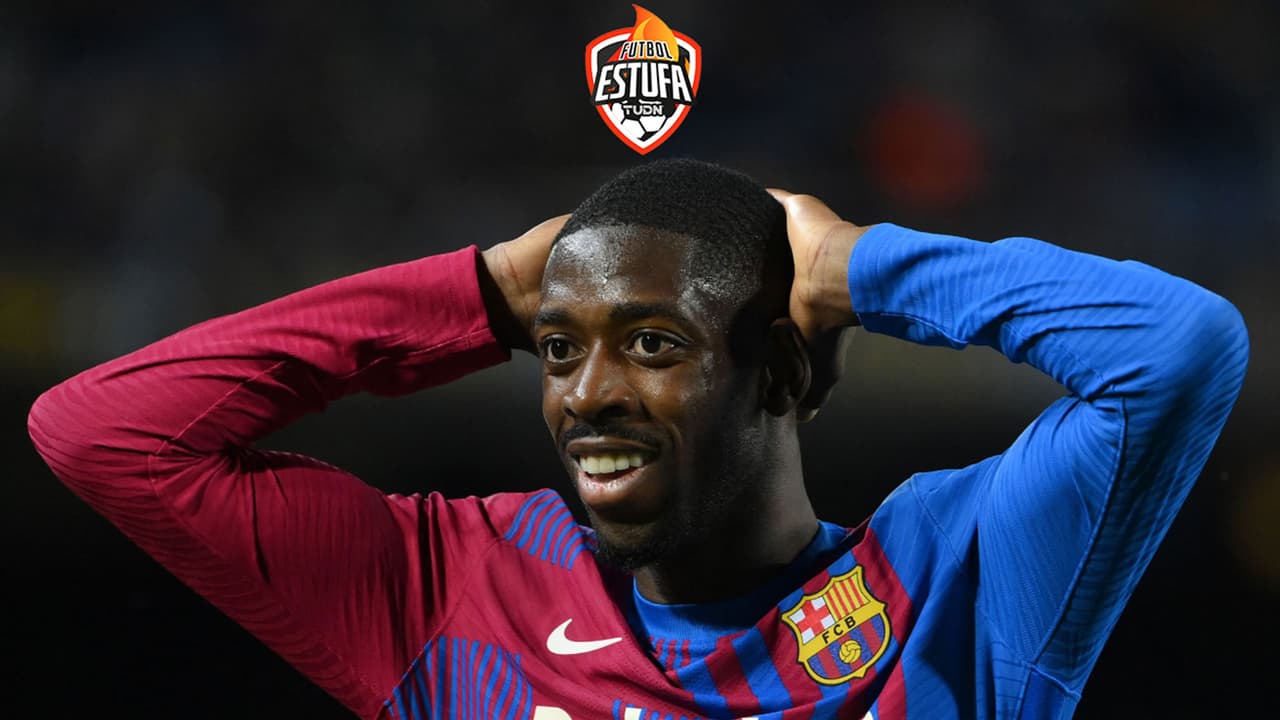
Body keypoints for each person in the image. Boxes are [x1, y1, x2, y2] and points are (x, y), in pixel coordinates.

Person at [28, 159, 1248, 719]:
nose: (586, 395)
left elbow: (1175, 347)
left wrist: (856, 267)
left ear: (777, 371)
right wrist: (480, 294)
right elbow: (100, 433)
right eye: (559, 348)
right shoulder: (454, 591)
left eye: (651, 343)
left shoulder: (952, 581)